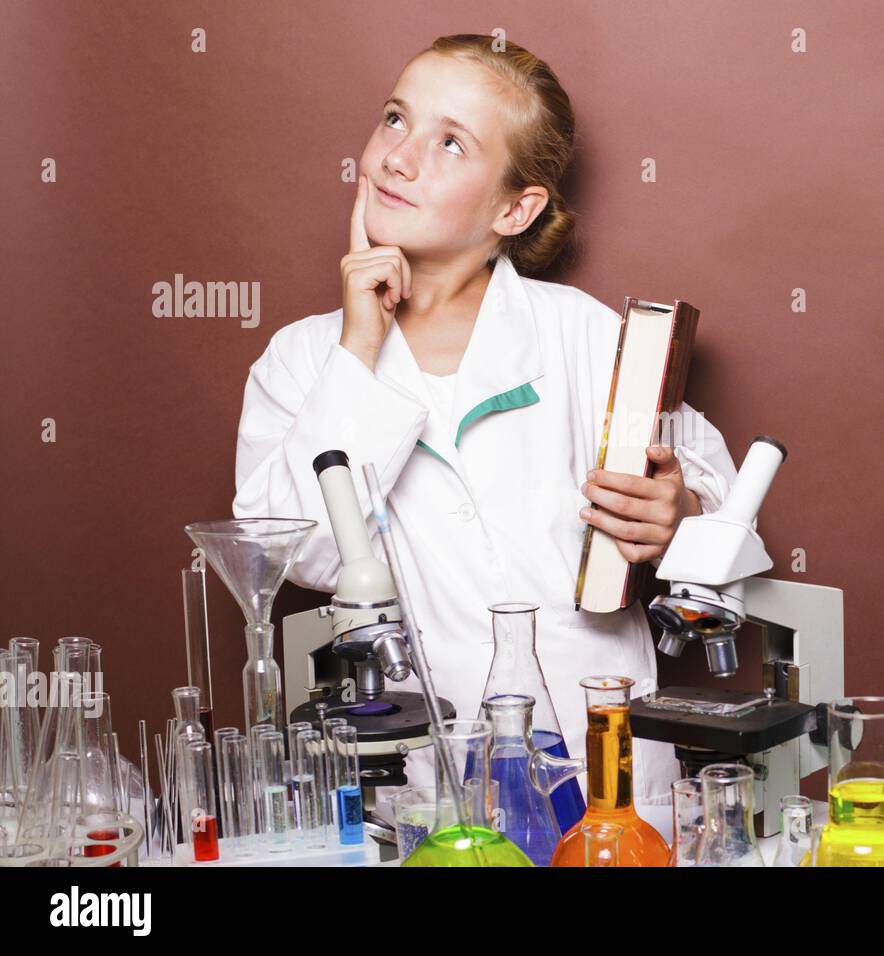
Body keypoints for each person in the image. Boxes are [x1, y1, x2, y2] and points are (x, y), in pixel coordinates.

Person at [231, 35, 738, 809]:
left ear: (515, 207)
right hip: (427, 779)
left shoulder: (585, 335)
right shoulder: (303, 361)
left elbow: (715, 488)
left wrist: (682, 513)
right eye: (395, 119)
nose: (399, 157)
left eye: (449, 143)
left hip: (606, 752)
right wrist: (359, 348)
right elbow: (292, 553)